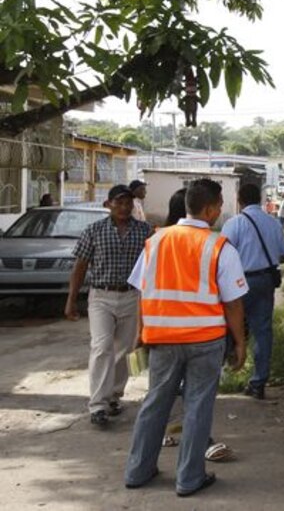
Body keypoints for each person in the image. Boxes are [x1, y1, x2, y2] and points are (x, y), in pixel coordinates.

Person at [124, 178, 248, 497]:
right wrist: (240, 342)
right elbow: (233, 302)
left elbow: (142, 290)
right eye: (219, 206)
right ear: (207, 210)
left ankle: (138, 471)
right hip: (205, 340)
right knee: (197, 406)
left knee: (155, 402)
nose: (221, 212)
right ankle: (189, 478)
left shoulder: (156, 241)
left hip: (162, 338)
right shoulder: (218, 246)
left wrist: (140, 333)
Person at [65, 184, 152, 428]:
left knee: (124, 350)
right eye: (120, 202)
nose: (125, 207)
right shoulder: (93, 230)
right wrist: (71, 300)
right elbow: (80, 266)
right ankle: (98, 405)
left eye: (129, 203)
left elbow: (151, 268)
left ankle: (114, 395)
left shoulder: (144, 231)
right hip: (101, 296)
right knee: (102, 347)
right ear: (108, 205)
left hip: (132, 297)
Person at [222, 183, 284, 400]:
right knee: (262, 332)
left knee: (229, 327)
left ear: (239, 199)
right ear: (260, 199)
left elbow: (221, 254)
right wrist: (267, 258)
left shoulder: (234, 223)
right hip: (265, 281)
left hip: (239, 282)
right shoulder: (272, 222)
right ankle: (258, 382)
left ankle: (223, 373)